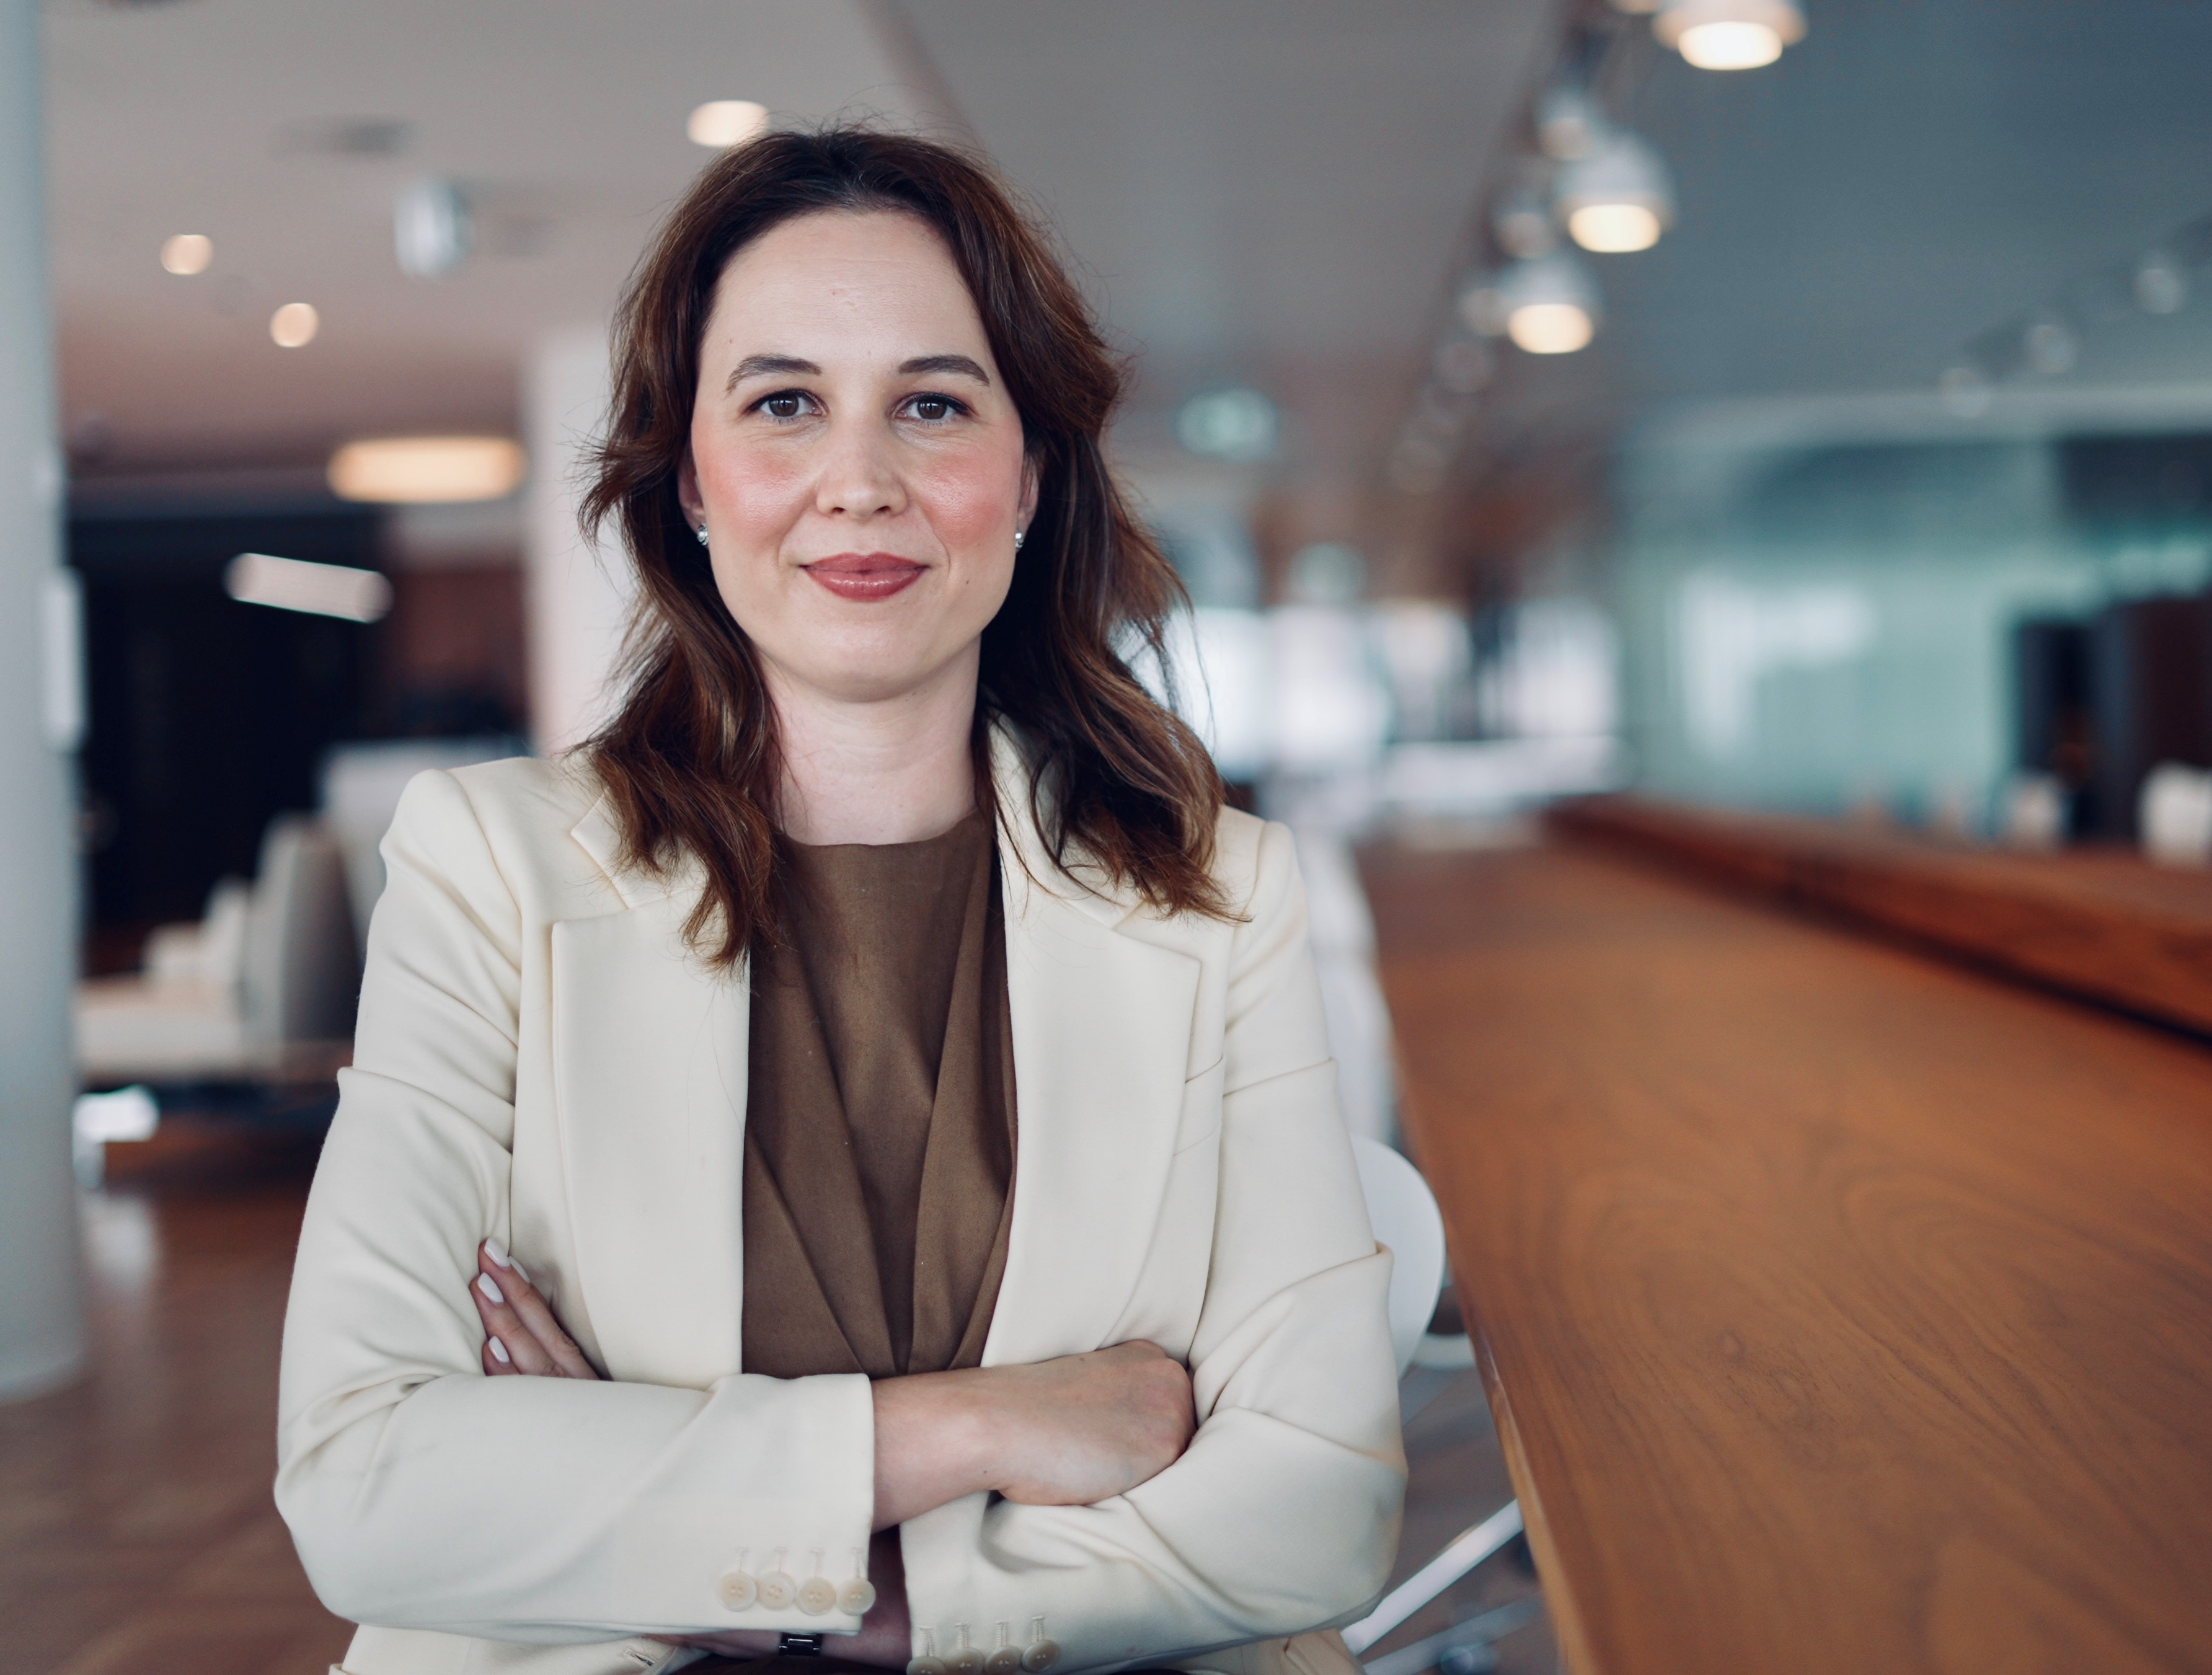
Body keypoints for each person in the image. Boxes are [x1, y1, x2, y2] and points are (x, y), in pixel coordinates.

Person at [274, 126, 1404, 1675]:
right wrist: (970, 1430)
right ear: (688, 478)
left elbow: (1318, 1509)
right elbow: (367, 1488)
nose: (857, 483)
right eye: (784, 404)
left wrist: (679, 1525)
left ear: (1029, 477)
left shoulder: (1225, 897)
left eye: (931, 405)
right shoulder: (487, 868)